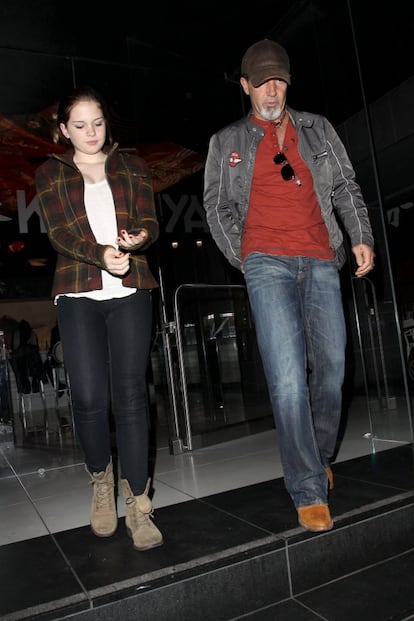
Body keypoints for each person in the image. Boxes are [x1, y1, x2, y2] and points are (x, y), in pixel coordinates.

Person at [203, 40, 375, 532]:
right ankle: (306, 488)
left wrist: (360, 237)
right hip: (266, 263)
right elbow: (216, 207)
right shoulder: (227, 141)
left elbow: (344, 185)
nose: (271, 89)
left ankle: (315, 459)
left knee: (333, 370)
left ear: (288, 82)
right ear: (245, 86)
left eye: (278, 80)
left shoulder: (317, 127)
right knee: (285, 379)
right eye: (261, 82)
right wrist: (247, 256)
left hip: (321, 258)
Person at [35, 86, 163, 551]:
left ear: (107, 125)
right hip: (77, 289)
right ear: (64, 130)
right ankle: (100, 483)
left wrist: (137, 238)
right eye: (80, 125)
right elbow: (59, 233)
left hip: (131, 288)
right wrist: (100, 254)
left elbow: (149, 220)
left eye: (98, 123)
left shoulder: (133, 165)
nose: (91, 133)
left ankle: (138, 502)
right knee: (89, 397)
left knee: (130, 396)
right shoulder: (49, 173)